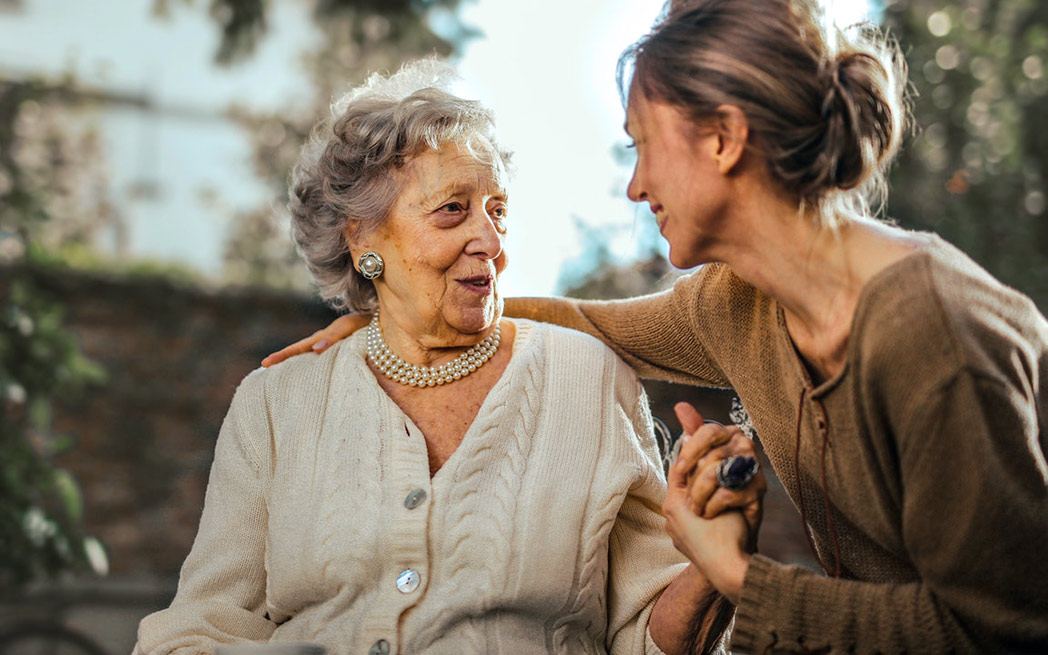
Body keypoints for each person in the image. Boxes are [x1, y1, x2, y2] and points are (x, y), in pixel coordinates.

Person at [264, 1, 1048, 653]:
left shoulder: (932, 335)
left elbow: (1003, 627)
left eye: (643, 146)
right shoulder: (737, 303)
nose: (635, 186)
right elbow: (582, 320)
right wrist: (393, 316)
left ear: (723, 137)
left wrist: (743, 580)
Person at [134, 60, 764, 655]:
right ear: (362, 239)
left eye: (498, 212)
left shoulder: (589, 379)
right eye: (453, 211)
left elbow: (647, 638)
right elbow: (199, 628)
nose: (489, 241)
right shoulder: (277, 402)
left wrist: (713, 567)